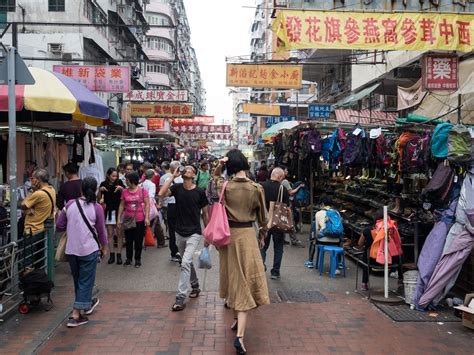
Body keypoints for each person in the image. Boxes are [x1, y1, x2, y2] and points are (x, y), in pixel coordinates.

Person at [214, 149, 269, 354]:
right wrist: (262, 234)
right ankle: (239, 337)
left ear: (230, 166)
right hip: (247, 237)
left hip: (228, 237)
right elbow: (263, 219)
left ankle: (237, 321)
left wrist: (219, 165)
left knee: (235, 278)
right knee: (245, 280)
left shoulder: (223, 186)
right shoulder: (256, 188)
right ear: (245, 165)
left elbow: (212, 182)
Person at [56, 177, 108, 328]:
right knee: (85, 281)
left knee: (79, 280)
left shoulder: (70, 204)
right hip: (89, 250)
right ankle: (75, 314)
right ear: (95, 189)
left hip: (72, 249)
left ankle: (84, 307)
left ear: (81, 189)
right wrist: (104, 247)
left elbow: (59, 226)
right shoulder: (97, 207)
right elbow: (101, 231)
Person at [158, 165, 209, 312]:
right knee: (186, 262)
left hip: (194, 232)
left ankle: (180, 298)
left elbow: (205, 214)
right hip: (179, 232)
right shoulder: (177, 187)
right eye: (185, 168)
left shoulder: (200, 192)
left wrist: (208, 234)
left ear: (194, 174)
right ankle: (195, 285)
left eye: (190, 169)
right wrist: (172, 177)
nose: (187, 169)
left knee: (185, 261)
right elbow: (161, 193)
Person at [20, 168, 56, 269]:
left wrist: (31, 190)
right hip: (41, 229)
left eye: (33, 178)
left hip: (32, 230)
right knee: (38, 260)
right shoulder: (51, 190)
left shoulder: (38, 194)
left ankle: (28, 282)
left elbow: (23, 205)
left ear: (38, 180)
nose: (31, 180)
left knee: (27, 261)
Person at [260, 168, 290, 280]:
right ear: (280, 177)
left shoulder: (261, 186)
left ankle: (261, 266)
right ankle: (275, 272)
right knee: (278, 247)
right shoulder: (283, 189)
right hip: (278, 223)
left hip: (264, 221)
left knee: (263, 245)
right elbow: (287, 207)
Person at [117, 171, 150, 268]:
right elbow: (122, 205)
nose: (125, 182)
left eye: (127, 180)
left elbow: (147, 205)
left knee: (138, 240)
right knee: (128, 240)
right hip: (128, 219)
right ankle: (128, 258)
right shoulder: (124, 192)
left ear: (132, 181)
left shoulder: (142, 191)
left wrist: (147, 217)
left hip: (139, 219)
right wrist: (119, 218)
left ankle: (137, 259)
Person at [305, 196, 342, 269]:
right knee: (340, 241)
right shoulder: (336, 213)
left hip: (322, 240)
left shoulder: (318, 213)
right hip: (336, 240)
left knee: (312, 239)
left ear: (322, 204)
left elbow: (316, 229)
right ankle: (340, 263)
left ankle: (310, 262)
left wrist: (316, 235)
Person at [98, 168, 125, 265]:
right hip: (109, 211)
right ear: (108, 175)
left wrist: (122, 189)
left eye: (116, 176)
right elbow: (98, 199)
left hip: (119, 211)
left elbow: (125, 196)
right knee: (110, 233)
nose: (115, 178)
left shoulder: (120, 183)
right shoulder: (103, 184)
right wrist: (100, 191)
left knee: (119, 233)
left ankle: (119, 255)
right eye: (113, 176)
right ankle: (112, 254)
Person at [280, 165, 305, 247]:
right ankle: (294, 240)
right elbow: (291, 192)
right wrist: (299, 187)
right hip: (287, 204)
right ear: (282, 171)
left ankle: (282, 239)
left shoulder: (279, 181)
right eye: (286, 170)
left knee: (283, 222)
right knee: (291, 222)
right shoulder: (285, 182)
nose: (287, 172)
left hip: (280, 204)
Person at [163, 161, 183, 263]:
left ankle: (174, 253)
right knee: (181, 229)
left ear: (171, 170)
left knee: (172, 230)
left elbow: (163, 193)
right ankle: (182, 251)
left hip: (172, 207)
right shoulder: (184, 178)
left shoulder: (168, 179)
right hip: (181, 206)